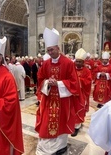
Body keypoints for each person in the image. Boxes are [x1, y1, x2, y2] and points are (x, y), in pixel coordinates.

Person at [35, 27, 80, 155]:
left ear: (58, 48)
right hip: (49, 99)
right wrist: (47, 83)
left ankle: (60, 146)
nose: (50, 52)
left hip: (63, 100)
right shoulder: (46, 63)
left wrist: (59, 83)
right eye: (48, 50)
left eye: (52, 50)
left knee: (61, 122)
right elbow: (40, 78)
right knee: (46, 121)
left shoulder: (68, 63)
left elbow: (74, 83)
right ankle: (47, 148)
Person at [71, 48, 92, 137]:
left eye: (80, 62)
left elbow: (88, 81)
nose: (78, 63)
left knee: (79, 110)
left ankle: (76, 127)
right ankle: (71, 124)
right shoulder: (72, 69)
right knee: (71, 110)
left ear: (83, 62)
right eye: (77, 61)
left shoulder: (86, 71)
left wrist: (79, 81)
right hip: (72, 94)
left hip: (81, 95)